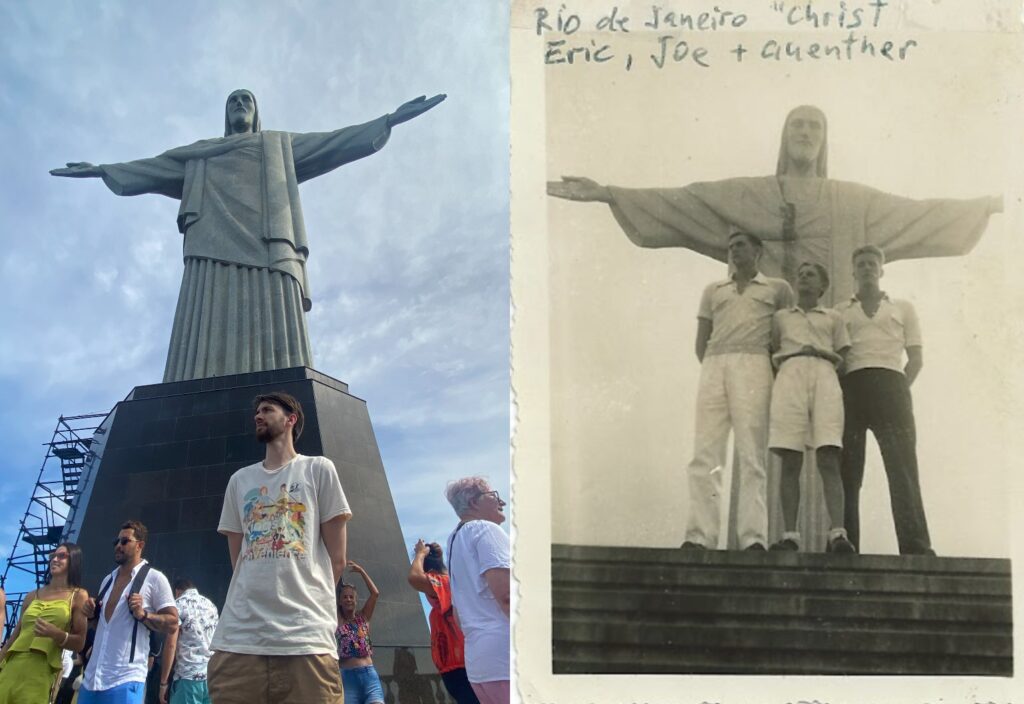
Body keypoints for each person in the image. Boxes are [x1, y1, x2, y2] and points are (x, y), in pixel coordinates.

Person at [548, 104, 1002, 548]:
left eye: (814, 126)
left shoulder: (853, 202)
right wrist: (608, 192)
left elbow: (919, 214)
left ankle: (839, 542)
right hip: (766, 360)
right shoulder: (753, 198)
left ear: (824, 140)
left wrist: (992, 204)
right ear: (784, 137)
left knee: (832, 451)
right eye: (796, 125)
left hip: (832, 358)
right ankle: (756, 540)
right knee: (764, 449)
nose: (805, 132)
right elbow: (689, 202)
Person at [50, 89, 445, 383]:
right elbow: (153, 166)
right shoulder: (201, 152)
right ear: (225, 114)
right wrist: (102, 169)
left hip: (271, 241)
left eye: (246, 100)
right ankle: (195, 381)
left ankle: (281, 385)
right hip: (210, 242)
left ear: (256, 112)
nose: (239, 104)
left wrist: (389, 120)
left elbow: (333, 142)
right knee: (205, 316)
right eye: (233, 101)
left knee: (280, 332)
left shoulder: (280, 145)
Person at [208, 391, 351, 704]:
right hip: (239, 642)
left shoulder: (318, 469)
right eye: (257, 411)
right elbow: (239, 560)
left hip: (305, 641)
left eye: (267, 410)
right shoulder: (239, 480)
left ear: (291, 419)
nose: (258, 416)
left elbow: (337, 561)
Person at [681, 231, 794, 551]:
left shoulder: (778, 289)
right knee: (705, 453)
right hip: (715, 363)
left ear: (758, 251)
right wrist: (717, 366)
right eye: (730, 247)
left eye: (740, 245)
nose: (734, 252)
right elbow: (701, 341)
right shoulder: (714, 290)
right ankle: (699, 536)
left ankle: (753, 537)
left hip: (755, 364)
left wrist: (766, 372)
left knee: (751, 454)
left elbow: (785, 334)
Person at [837, 245, 934, 555]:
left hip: (892, 386)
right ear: (853, 271)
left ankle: (915, 544)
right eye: (861, 264)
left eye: (871, 264)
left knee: (902, 468)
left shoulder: (903, 307)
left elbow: (916, 358)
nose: (866, 268)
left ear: (881, 270)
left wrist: (899, 388)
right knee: (848, 470)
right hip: (852, 387)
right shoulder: (840, 311)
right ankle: (846, 543)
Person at [768, 262, 854, 553]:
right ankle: (791, 535)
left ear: (822, 286)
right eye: (800, 274)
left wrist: (820, 363)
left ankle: (838, 534)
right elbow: (772, 349)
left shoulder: (834, 317)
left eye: (810, 275)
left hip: (825, 375)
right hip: (790, 375)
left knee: (828, 456)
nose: (803, 278)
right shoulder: (781, 317)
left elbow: (843, 354)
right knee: (791, 459)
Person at [79, 521, 178, 704]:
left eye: (125, 541)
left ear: (140, 545)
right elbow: (105, 626)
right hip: (92, 680)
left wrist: (144, 614)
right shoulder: (107, 580)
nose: (118, 545)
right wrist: (91, 613)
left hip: (125, 679)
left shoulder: (154, 578)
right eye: (116, 541)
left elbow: (173, 622)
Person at [444, 478, 510, 704]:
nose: (502, 502)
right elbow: (508, 596)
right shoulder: (486, 530)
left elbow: (457, 615)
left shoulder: (453, 542)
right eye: (494, 495)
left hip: (479, 665)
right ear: (474, 501)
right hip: (508, 656)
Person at [0, 543, 89, 704]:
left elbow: (80, 643)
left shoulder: (78, 596)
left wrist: (56, 634)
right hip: (10, 667)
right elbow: (14, 637)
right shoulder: (31, 596)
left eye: (61, 556)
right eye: (52, 556)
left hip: (40, 673)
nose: (54, 559)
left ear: (73, 560)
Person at [407, 540, 478, 704]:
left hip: (462, 667)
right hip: (461, 665)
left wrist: (420, 554)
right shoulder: (453, 584)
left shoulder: (442, 583)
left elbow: (414, 577)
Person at [159, 578, 218, 704]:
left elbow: (171, 645)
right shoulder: (211, 606)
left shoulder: (177, 606)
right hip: (211, 677)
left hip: (187, 677)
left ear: (177, 592)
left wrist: (163, 682)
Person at [334, 563, 384, 704]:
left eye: (351, 597)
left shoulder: (364, 617)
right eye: (345, 597)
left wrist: (361, 571)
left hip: (369, 676)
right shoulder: (338, 620)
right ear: (339, 602)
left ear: (356, 601)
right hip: (347, 679)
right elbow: (329, 593)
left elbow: (375, 593)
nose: (348, 599)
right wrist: (337, 571)